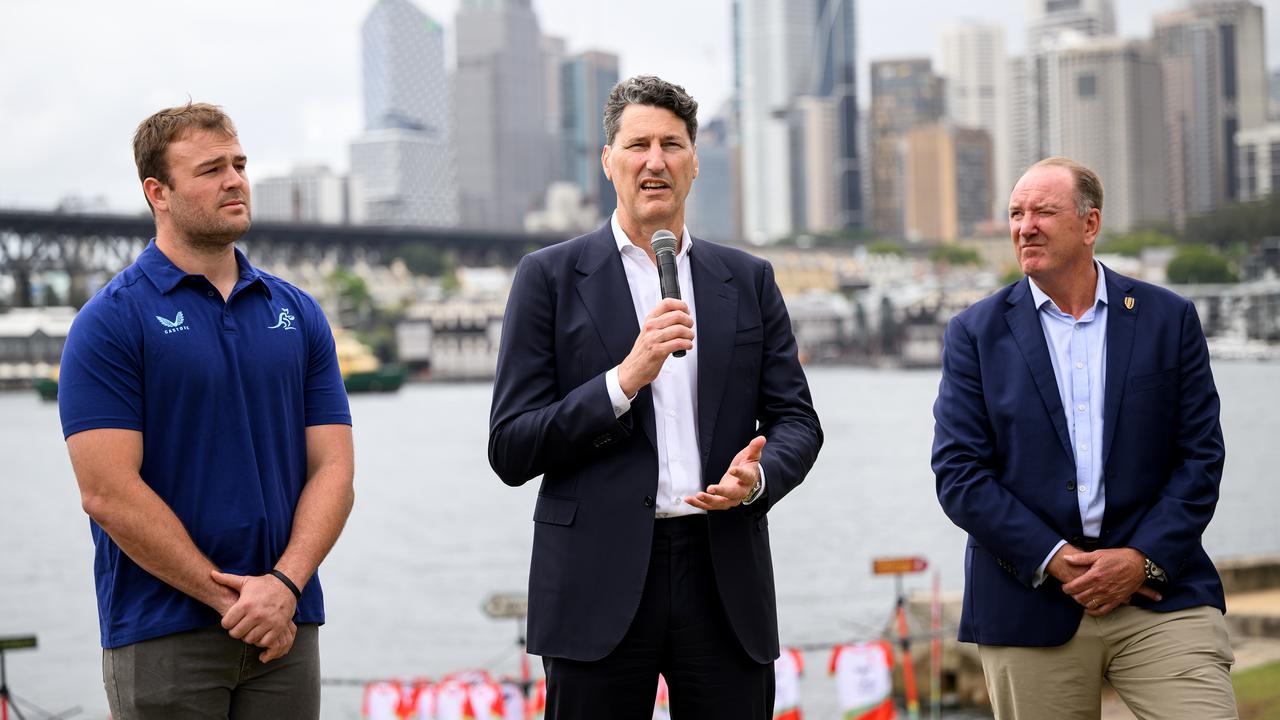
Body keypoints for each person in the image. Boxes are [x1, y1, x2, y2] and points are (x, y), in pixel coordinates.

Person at [488, 75, 822, 720]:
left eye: (672, 144)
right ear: (607, 161)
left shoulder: (748, 279)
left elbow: (797, 421)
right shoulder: (548, 278)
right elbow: (510, 447)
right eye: (637, 144)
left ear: (695, 161)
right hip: (596, 577)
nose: (655, 161)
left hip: (723, 571)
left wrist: (757, 480)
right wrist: (624, 380)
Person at [58, 102, 354, 719]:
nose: (234, 181)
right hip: (163, 630)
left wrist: (284, 586)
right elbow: (107, 492)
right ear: (157, 191)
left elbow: (334, 470)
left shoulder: (298, 314)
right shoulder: (111, 322)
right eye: (211, 169)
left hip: (287, 627)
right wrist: (230, 600)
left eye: (240, 164)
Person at [932, 157, 1236, 719]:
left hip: (1159, 595)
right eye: (1016, 213)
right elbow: (959, 474)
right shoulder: (974, 333)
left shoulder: (1168, 319)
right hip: (1029, 600)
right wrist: (1056, 557)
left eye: (1044, 211)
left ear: (1090, 224)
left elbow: (1200, 457)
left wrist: (1141, 559)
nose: (1025, 227)